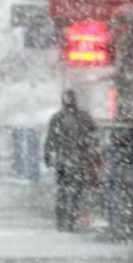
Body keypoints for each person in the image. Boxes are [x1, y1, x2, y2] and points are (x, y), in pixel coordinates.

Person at [44, 90, 97, 231]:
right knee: (73, 190)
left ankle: (64, 219)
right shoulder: (82, 117)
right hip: (74, 159)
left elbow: (50, 139)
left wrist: (48, 155)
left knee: (65, 190)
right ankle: (68, 218)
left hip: (67, 159)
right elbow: (93, 136)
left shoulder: (58, 118)